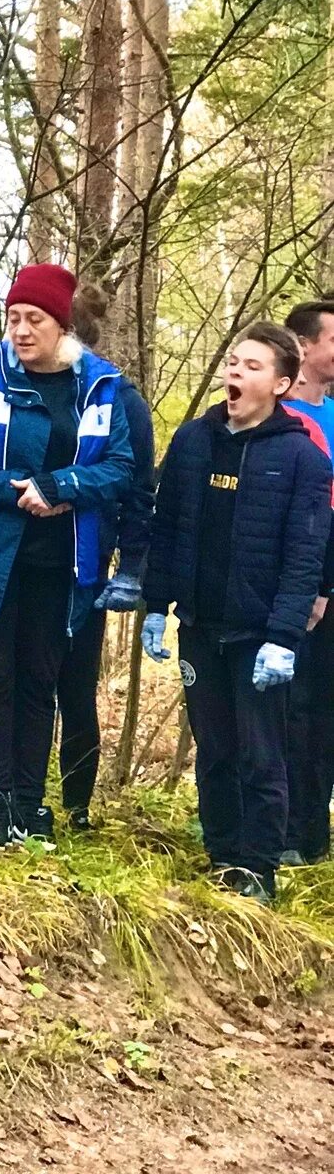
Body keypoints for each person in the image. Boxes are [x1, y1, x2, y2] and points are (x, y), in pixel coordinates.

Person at [0, 262, 133, 848]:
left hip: (61, 561)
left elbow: (120, 468)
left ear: (62, 325)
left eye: (34, 319)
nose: (19, 330)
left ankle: (30, 802)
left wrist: (62, 487)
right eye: (13, 317)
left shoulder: (98, 384)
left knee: (38, 683)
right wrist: (19, 490)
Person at [143, 324, 332, 905]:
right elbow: (167, 525)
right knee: (215, 750)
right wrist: (156, 606)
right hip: (201, 625)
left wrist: (285, 634)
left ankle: (259, 868)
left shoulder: (300, 455)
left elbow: (307, 554)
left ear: (279, 383)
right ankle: (222, 855)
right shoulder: (194, 441)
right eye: (233, 362)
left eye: (251, 367)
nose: (235, 374)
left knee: (261, 753)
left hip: (261, 635)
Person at [48, 285, 155, 831]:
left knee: (77, 688)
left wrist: (132, 567)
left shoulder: (119, 396)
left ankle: (77, 808)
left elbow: (139, 488)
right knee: (28, 684)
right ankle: (19, 800)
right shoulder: (20, 381)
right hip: (26, 561)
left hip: (87, 563)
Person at [279, 300, 334, 864]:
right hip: (290, 585)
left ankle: (313, 837)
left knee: (323, 712)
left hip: (330, 581)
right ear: (304, 347)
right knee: (289, 708)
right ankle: (282, 831)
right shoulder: (280, 421)